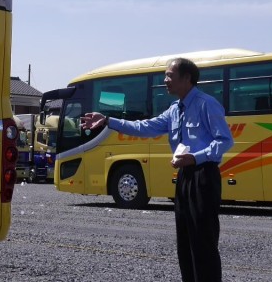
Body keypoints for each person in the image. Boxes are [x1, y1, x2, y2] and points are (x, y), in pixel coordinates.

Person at [80, 57, 233, 282]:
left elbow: (224, 141)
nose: (165, 80)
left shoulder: (205, 104)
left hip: (203, 175)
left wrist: (196, 157)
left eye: (170, 75)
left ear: (187, 78)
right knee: (185, 240)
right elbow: (146, 127)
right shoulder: (174, 109)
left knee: (203, 241)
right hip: (184, 176)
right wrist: (108, 121)